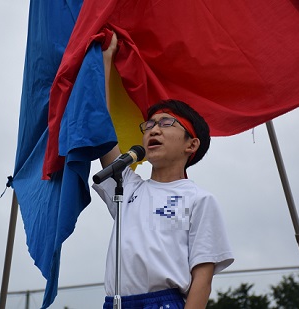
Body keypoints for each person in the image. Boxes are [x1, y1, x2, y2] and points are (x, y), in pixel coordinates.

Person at [93, 32, 234, 309]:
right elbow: (101, 132)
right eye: (149, 125)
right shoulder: (128, 186)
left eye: (167, 123)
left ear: (191, 144)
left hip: (164, 302)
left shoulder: (199, 200)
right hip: (116, 303)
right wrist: (105, 61)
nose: (154, 129)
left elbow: (202, 279)